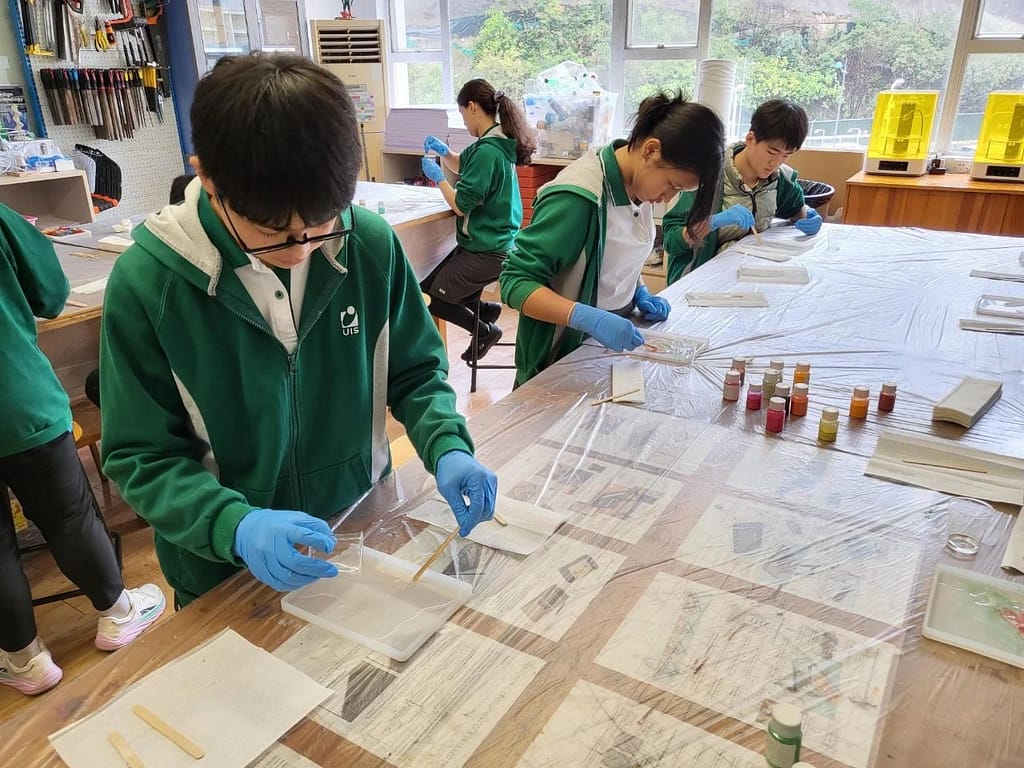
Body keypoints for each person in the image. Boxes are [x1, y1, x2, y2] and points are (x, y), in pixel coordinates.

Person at [100, 53, 497, 608]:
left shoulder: (368, 245)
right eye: (271, 232)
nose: (301, 249)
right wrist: (233, 525)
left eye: (320, 224)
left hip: (360, 530)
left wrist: (447, 443)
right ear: (206, 177)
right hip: (224, 568)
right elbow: (141, 455)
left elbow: (415, 372)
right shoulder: (150, 283)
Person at [0, 203, 164, 696]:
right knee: (69, 516)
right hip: (18, 401)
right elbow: (51, 296)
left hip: (20, 403)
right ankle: (118, 613)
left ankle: (24, 660)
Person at [499, 92, 725, 387]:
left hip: (605, 350)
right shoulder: (578, 198)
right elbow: (514, 281)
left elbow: (607, 254)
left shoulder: (639, 185)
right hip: (562, 354)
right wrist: (584, 317)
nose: (668, 198)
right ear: (651, 150)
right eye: (673, 185)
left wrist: (638, 291)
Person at [419, 78, 536, 362]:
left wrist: (438, 179)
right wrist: (445, 153)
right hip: (494, 241)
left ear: (471, 107)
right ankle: (485, 310)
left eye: (462, 114)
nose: (464, 122)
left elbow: (461, 205)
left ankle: (484, 329)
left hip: (488, 249)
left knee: (432, 298)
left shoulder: (487, 152)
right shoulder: (494, 142)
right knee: (426, 284)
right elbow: (464, 165)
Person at [663, 98, 822, 285]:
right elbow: (670, 240)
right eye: (771, 152)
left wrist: (809, 215)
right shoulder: (707, 176)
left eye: (786, 155)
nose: (775, 163)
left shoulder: (779, 178)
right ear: (750, 139)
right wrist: (712, 223)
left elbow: (796, 208)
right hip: (702, 278)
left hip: (749, 275)